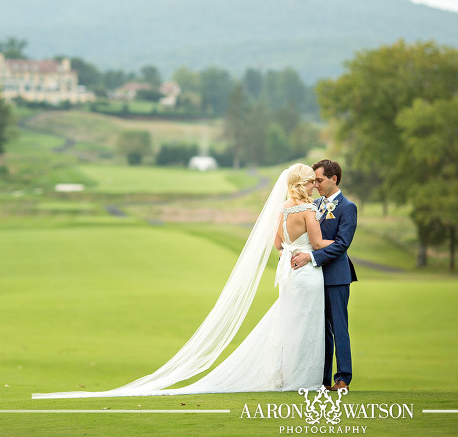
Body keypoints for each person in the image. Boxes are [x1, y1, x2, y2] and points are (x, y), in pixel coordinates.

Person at [33, 164, 337, 399]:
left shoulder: (283, 210)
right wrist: (338, 242)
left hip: (288, 275)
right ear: (303, 184)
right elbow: (316, 240)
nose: (314, 184)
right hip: (306, 274)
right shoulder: (308, 209)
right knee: (305, 325)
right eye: (311, 180)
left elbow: (277, 246)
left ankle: (289, 377)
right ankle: (303, 380)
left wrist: (295, 250)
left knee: (289, 325)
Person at [290, 159, 357, 392]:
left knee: (339, 327)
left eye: (319, 180)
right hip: (314, 278)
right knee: (320, 331)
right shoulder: (313, 204)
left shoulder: (348, 207)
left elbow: (342, 245)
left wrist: (311, 257)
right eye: (314, 181)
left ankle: (343, 379)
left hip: (337, 276)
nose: (316, 185)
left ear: (334, 179)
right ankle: (322, 378)